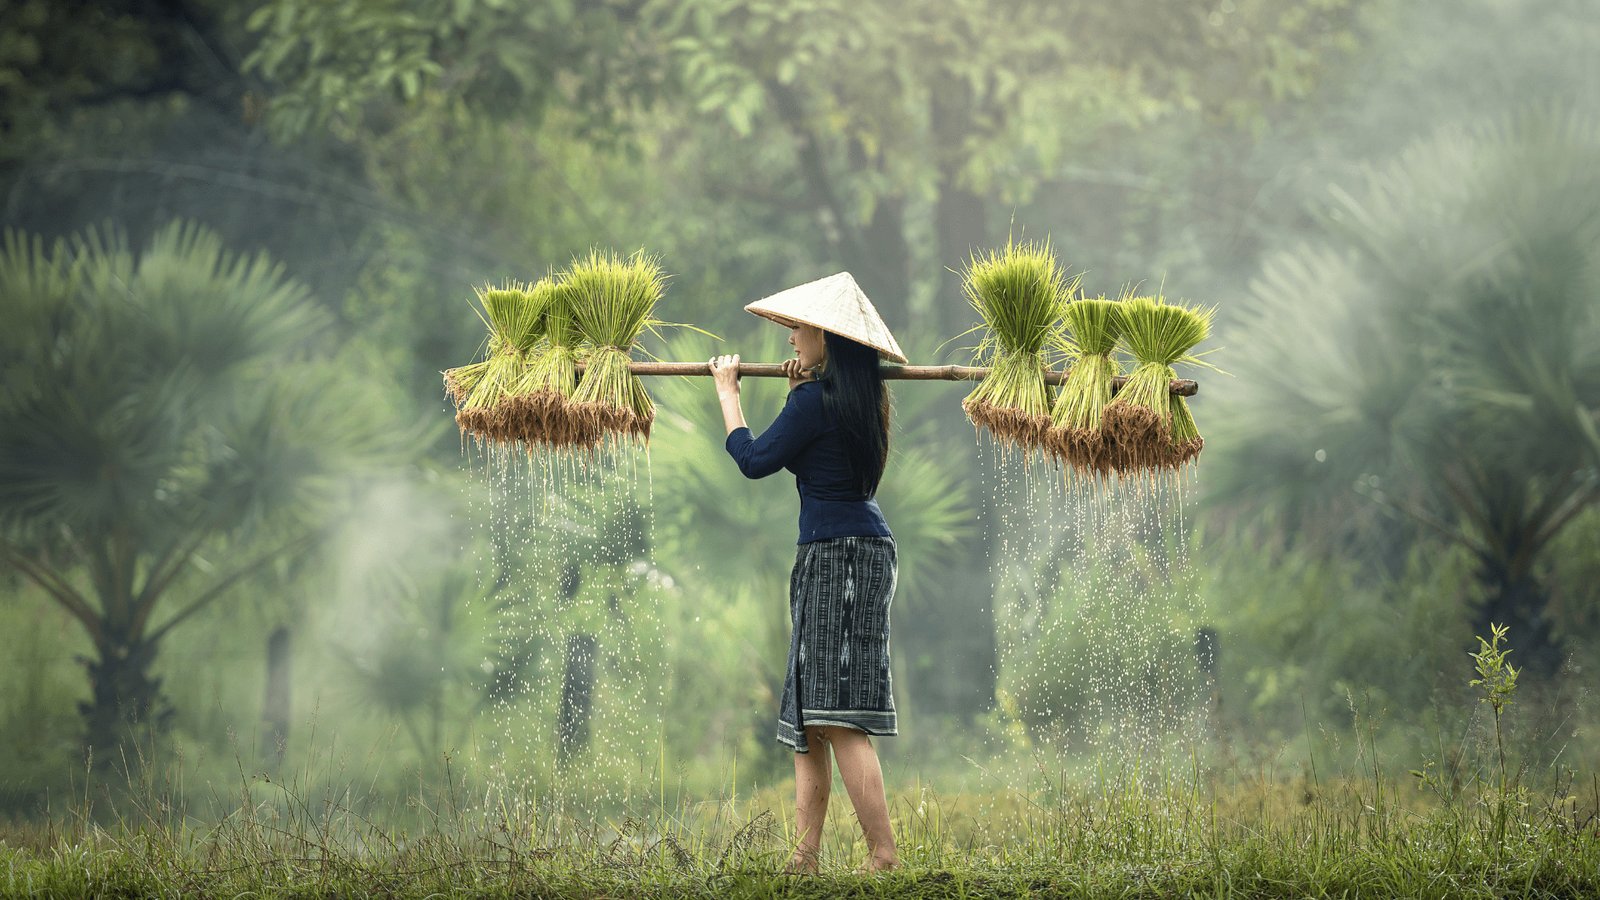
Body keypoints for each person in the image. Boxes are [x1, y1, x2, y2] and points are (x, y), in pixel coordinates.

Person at [707, 272, 908, 875]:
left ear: (827, 335)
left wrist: (728, 391)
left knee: (834, 714)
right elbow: (812, 446)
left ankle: (883, 855)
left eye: (799, 328)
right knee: (810, 714)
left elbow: (754, 459)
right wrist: (800, 391)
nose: (791, 337)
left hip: (839, 556)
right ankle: (805, 858)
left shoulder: (815, 403)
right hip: (853, 549)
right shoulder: (857, 401)